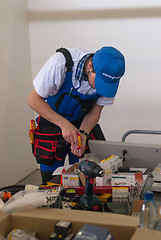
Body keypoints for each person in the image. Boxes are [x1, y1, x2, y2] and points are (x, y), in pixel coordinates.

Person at [28, 46, 125, 183]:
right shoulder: (60, 63)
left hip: (81, 124)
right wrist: (64, 125)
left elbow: (95, 112)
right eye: (99, 82)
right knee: (50, 183)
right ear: (90, 65)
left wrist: (83, 133)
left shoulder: (109, 79)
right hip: (51, 121)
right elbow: (33, 100)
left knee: (88, 178)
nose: (100, 88)